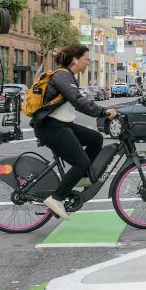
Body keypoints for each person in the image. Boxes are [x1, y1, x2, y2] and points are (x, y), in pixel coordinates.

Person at [32, 44, 117, 221]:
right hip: (51, 127)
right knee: (81, 162)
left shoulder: (67, 76)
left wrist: (99, 110)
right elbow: (78, 100)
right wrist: (102, 112)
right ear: (75, 60)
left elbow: (74, 104)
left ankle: (80, 178)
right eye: (86, 59)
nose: (88, 63)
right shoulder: (62, 76)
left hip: (61, 124)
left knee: (95, 139)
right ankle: (56, 198)